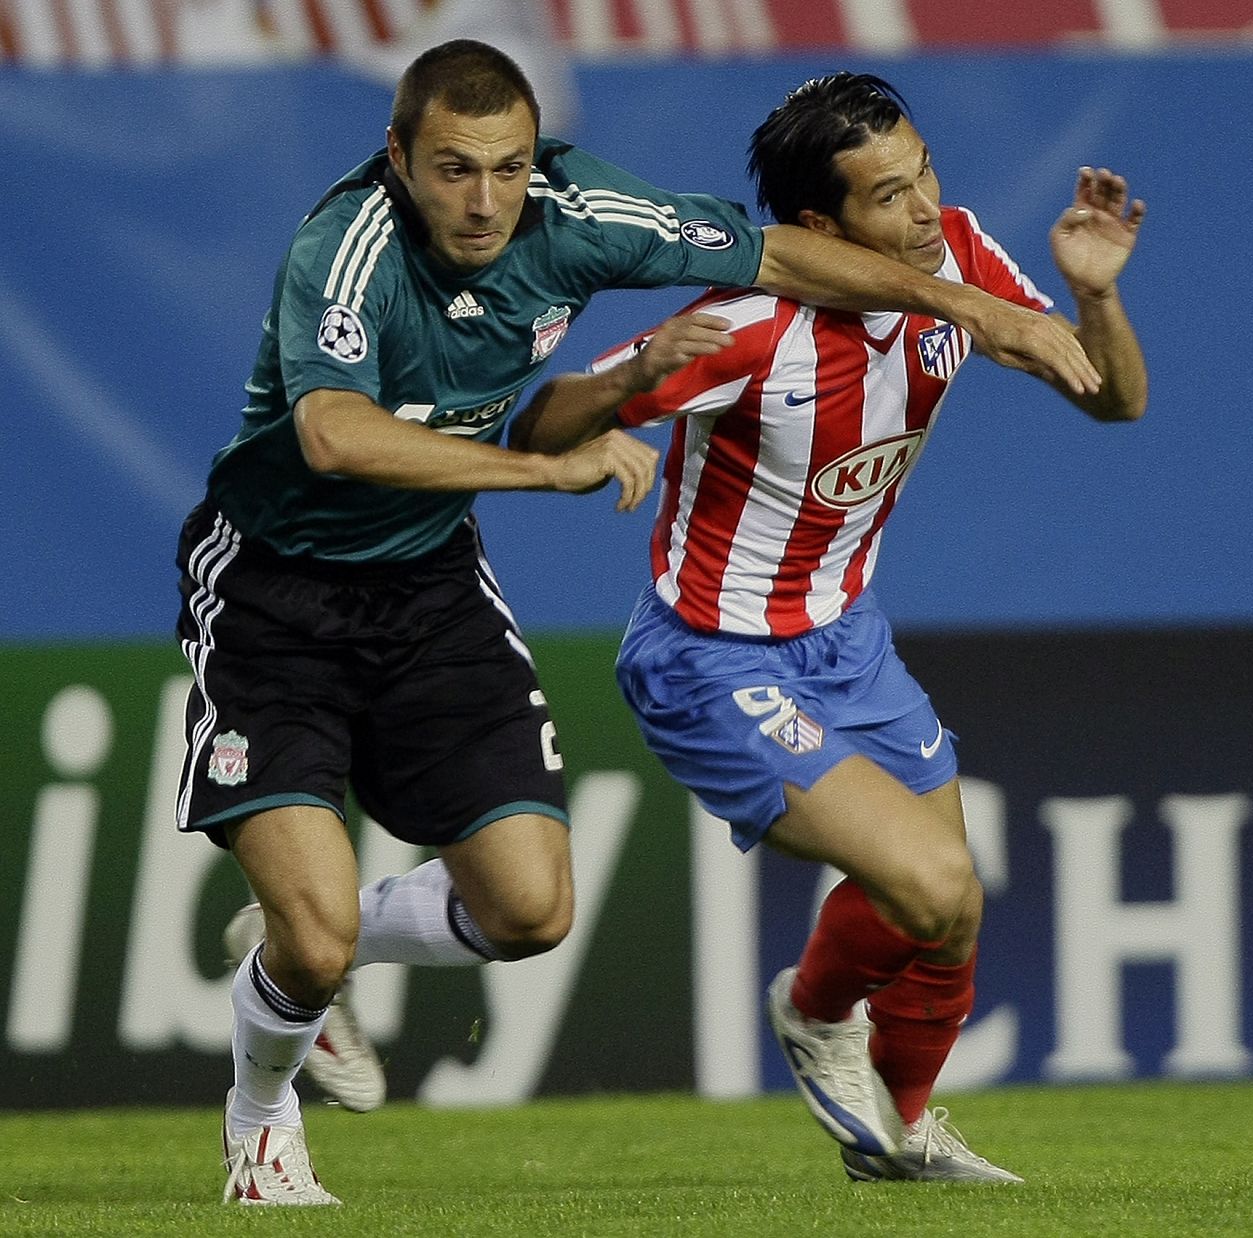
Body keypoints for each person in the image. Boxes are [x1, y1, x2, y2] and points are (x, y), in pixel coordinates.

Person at [176, 41, 1101, 1208]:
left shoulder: (581, 213)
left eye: (509, 168)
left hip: (427, 582)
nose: (484, 200)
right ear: (399, 158)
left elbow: (773, 252)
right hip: (273, 586)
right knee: (306, 951)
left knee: (530, 909)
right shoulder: (346, 248)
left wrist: (972, 304)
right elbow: (334, 439)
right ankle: (261, 1129)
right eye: (453, 169)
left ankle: (319, 933)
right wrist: (548, 470)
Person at [518, 72, 1148, 1183]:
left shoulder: (951, 254)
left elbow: (1113, 400)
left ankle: (899, 1139)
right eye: (887, 196)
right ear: (818, 226)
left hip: (845, 639)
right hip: (710, 655)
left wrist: (1091, 295)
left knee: (948, 911)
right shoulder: (750, 326)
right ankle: (814, 1013)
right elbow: (542, 423)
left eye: (925, 176)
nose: (921, 211)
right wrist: (627, 384)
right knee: (932, 883)